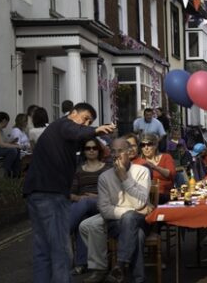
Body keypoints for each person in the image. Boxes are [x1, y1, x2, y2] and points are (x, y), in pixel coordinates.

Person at [23, 102, 115, 283]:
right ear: (72, 113)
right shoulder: (64, 124)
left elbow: (84, 139)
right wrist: (97, 130)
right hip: (51, 194)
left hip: (37, 192)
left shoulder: (63, 134)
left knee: (43, 249)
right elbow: (78, 131)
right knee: (60, 249)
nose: (86, 124)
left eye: (90, 122)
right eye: (85, 118)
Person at [98, 138, 152, 283]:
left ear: (129, 152)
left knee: (132, 222)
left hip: (141, 221)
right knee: (138, 235)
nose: (116, 155)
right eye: (113, 151)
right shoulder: (104, 177)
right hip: (116, 224)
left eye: (120, 151)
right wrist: (132, 211)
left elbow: (140, 202)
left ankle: (120, 265)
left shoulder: (142, 172)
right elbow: (105, 210)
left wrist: (124, 179)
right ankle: (138, 280)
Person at [69, 138, 111, 275]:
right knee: (83, 219)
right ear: (84, 151)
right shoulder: (79, 170)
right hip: (83, 204)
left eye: (94, 148)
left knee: (86, 202)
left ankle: (62, 229)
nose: (91, 150)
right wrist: (79, 198)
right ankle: (82, 264)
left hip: (102, 203)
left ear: (99, 150)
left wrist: (94, 197)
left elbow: (113, 192)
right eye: (88, 148)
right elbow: (71, 194)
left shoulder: (107, 168)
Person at [140, 133, 176, 203]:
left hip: (164, 193)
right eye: (143, 145)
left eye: (149, 144)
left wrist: (155, 167)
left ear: (156, 145)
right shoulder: (139, 161)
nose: (146, 147)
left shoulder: (166, 157)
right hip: (144, 194)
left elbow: (171, 174)